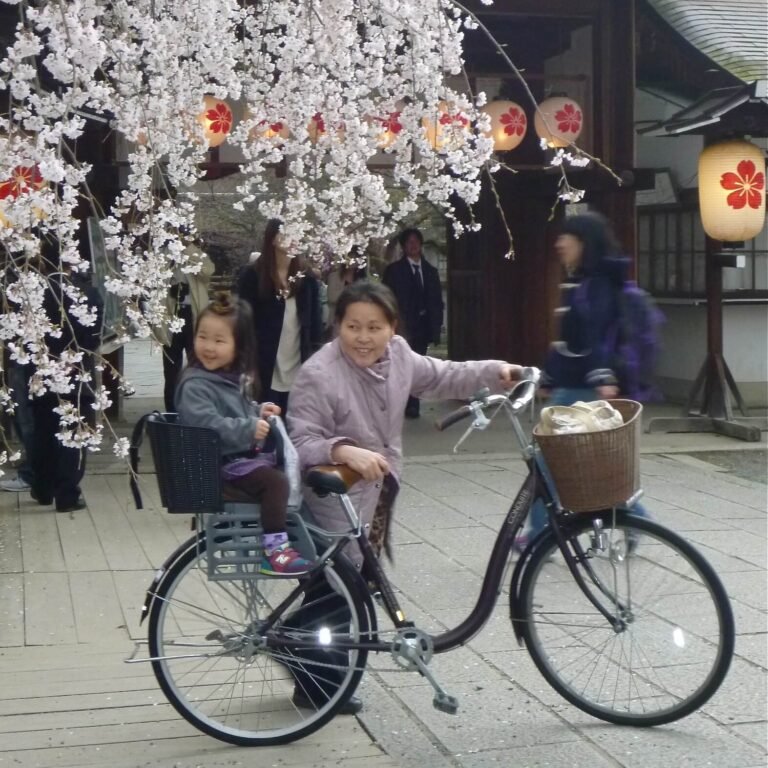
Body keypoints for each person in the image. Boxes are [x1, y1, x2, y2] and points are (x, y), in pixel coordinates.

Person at [520, 211, 649, 547]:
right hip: (575, 386)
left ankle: (540, 534)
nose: (560, 244)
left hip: (586, 389)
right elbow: (567, 341)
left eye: (568, 238)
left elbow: (598, 337)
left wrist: (602, 376)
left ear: (584, 243)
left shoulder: (596, 285)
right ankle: (635, 519)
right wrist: (548, 375)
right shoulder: (580, 281)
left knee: (546, 461)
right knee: (587, 465)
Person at [174, 292, 312, 576]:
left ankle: (290, 541)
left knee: (290, 472)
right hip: (215, 467)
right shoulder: (195, 385)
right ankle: (275, 551)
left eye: (219, 340)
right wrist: (249, 428)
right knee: (275, 483)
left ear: (238, 346)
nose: (209, 347)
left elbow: (235, 409)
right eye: (203, 337)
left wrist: (258, 412)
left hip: (230, 461)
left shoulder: (224, 378)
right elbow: (206, 423)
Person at [30, 239, 104, 513]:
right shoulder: (87, 291)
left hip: (40, 368)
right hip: (75, 369)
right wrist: (74, 355)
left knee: (44, 431)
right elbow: (93, 336)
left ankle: (42, 488)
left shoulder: (33, 291)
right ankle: (67, 494)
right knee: (72, 433)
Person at [236, 219, 323, 415]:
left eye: (296, 232)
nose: (293, 238)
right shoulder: (253, 275)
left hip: (298, 363)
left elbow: (315, 326)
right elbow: (243, 323)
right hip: (264, 364)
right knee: (266, 429)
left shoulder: (306, 278)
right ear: (273, 238)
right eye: (286, 232)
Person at [382, 227, 444, 419]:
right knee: (401, 364)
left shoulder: (430, 271)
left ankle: (413, 402)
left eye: (416, 242)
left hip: (423, 325)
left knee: (418, 365)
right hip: (403, 325)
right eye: (409, 242)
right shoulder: (394, 271)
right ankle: (402, 402)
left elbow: (436, 301)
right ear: (403, 246)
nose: (414, 245)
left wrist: (436, 325)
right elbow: (387, 298)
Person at [156, 240, 215, 411]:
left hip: (193, 315)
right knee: (171, 371)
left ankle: (197, 408)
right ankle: (172, 412)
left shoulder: (194, 254)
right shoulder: (162, 255)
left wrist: (188, 249)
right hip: (171, 314)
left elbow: (208, 271)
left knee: (197, 367)